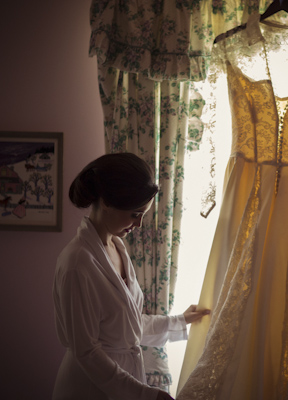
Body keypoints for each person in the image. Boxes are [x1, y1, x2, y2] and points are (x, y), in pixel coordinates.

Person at [52, 153, 209, 400]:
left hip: (122, 381)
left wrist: (180, 321)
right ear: (106, 202)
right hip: (91, 387)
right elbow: (87, 352)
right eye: (135, 214)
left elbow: (125, 326)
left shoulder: (116, 247)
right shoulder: (78, 264)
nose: (139, 224)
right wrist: (145, 395)